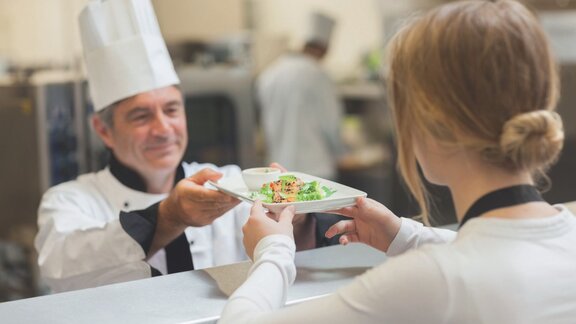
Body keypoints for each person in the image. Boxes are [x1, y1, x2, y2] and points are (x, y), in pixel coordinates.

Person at [219, 1, 576, 322]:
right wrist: (406, 236)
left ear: (430, 126)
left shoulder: (428, 283)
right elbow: (502, 254)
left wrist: (273, 251)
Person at [34, 0, 328, 293]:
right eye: (141, 115)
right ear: (104, 131)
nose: (163, 128)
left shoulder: (227, 182)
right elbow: (62, 269)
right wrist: (169, 216)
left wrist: (294, 218)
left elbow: (292, 259)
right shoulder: (70, 201)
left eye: (172, 109)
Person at [257, 12, 345, 180]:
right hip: (315, 170)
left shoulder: (269, 73)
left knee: (285, 207)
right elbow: (331, 124)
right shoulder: (318, 75)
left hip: (278, 170)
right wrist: (342, 152)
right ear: (324, 49)